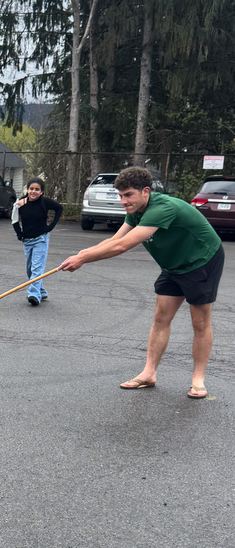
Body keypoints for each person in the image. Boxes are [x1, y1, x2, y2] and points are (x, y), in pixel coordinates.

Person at [60, 166, 225, 399]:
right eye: (120, 196)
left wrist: (84, 259)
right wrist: (84, 252)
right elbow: (116, 238)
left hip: (201, 261)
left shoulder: (161, 208)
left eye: (128, 195)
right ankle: (149, 373)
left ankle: (198, 379)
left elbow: (122, 246)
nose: (123, 201)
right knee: (161, 317)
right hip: (173, 265)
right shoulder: (136, 210)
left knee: (199, 322)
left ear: (145, 191)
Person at [12, 178, 63, 306]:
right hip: (27, 240)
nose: (33, 191)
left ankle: (33, 294)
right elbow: (14, 220)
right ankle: (41, 290)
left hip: (41, 239)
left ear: (41, 192)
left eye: (37, 189)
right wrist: (19, 234)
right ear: (27, 190)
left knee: (37, 268)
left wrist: (50, 227)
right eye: (31, 189)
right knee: (29, 270)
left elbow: (59, 208)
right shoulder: (21, 204)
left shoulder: (45, 203)